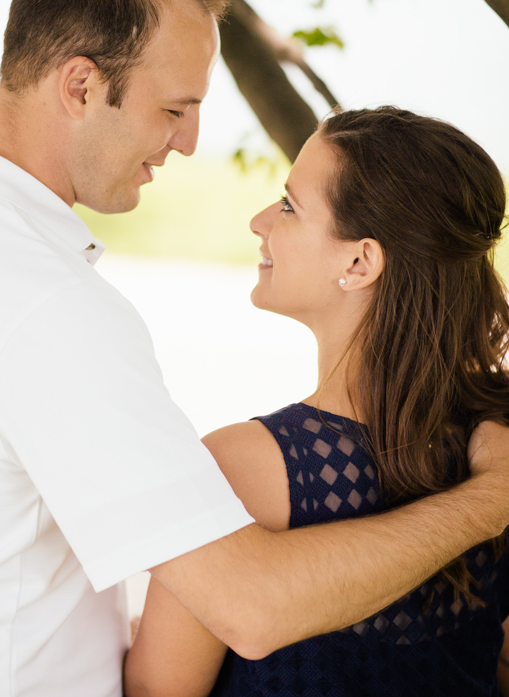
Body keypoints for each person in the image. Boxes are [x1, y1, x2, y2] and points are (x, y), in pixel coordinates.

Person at [0, 0, 508, 697]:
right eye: (174, 109)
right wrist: (485, 502)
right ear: (79, 87)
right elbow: (251, 606)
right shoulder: (42, 303)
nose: (189, 142)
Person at [125, 106, 509, 697]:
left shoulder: (246, 467)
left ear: (359, 262)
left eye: (288, 205)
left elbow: (158, 691)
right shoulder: (495, 443)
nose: (259, 222)